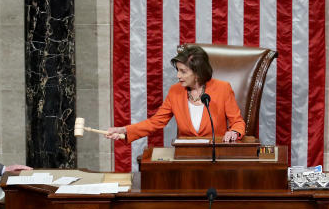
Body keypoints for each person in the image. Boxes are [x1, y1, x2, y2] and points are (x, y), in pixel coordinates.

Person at [105, 45, 246, 144]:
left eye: (183, 71)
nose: (178, 75)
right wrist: (123, 130)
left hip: (216, 154)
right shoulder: (175, 91)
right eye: (178, 70)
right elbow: (155, 123)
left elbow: (237, 122)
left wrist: (234, 132)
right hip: (185, 157)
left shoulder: (223, 88)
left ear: (197, 72)